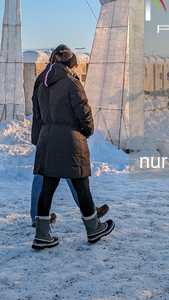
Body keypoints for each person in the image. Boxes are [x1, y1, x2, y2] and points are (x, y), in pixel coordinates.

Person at [31, 45, 114, 248]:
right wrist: (87, 131)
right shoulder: (72, 83)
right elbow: (84, 112)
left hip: (47, 137)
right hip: (69, 139)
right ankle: (93, 229)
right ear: (72, 65)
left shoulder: (42, 83)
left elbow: (38, 116)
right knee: (81, 185)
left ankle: (42, 235)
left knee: (47, 188)